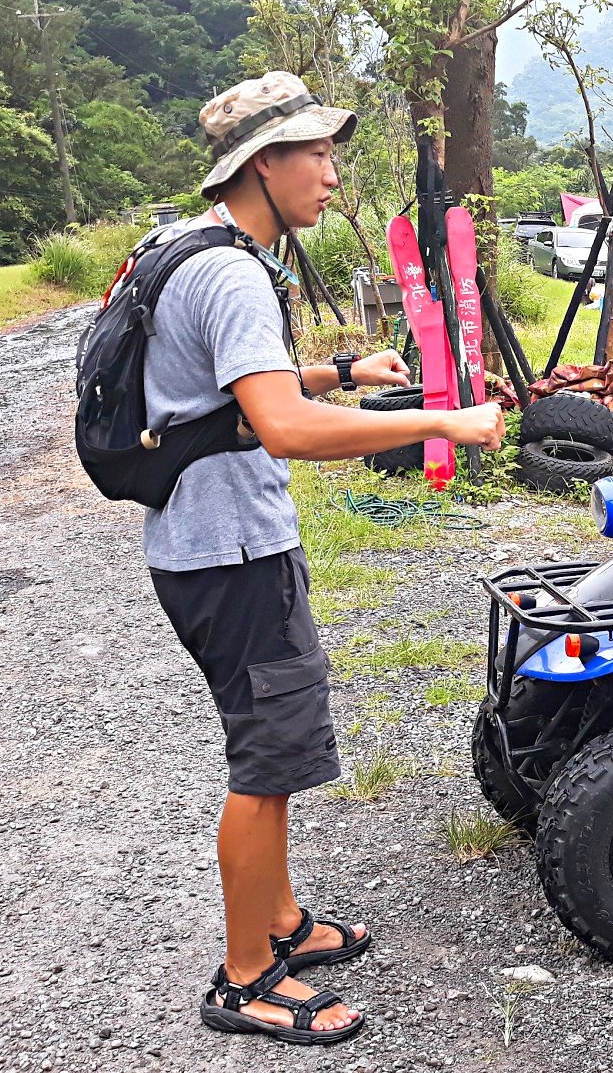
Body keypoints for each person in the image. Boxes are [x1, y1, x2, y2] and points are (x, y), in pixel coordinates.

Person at [138, 71, 506, 1045]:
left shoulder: (200, 251)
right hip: (230, 553)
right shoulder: (229, 269)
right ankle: (245, 976)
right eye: (319, 153)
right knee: (264, 761)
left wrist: (347, 370)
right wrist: (447, 421)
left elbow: (245, 386)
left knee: (278, 749)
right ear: (265, 165)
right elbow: (284, 428)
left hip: (217, 545)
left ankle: (282, 923)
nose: (333, 173)